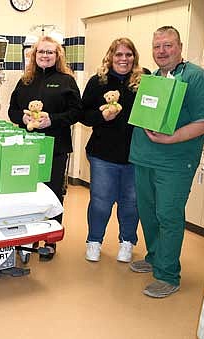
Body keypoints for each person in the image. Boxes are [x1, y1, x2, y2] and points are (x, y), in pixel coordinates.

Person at [129, 26, 204, 298]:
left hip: (174, 162)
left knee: (167, 215)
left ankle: (168, 275)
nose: (162, 51)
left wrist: (171, 138)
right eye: (157, 47)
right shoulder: (155, 78)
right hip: (145, 157)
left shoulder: (196, 77)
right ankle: (155, 256)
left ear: (179, 46)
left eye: (168, 45)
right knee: (148, 211)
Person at [8, 35, 82, 261]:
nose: (45, 56)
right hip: (26, 148)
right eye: (41, 52)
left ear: (58, 55)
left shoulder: (66, 81)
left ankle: (49, 240)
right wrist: (22, 116)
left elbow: (76, 112)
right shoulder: (25, 81)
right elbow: (12, 110)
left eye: (50, 52)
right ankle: (25, 237)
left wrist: (54, 120)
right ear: (33, 55)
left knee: (52, 194)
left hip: (55, 147)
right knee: (26, 193)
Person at [80, 38, 150, 263]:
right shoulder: (97, 82)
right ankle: (94, 241)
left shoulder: (145, 79)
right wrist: (101, 116)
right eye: (118, 54)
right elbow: (83, 115)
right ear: (110, 56)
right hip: (103, 154)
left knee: (131, 203)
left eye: (128, 55)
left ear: (134, 57)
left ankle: (127, 242)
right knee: (101, 201)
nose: (123, 59)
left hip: (135, 154)